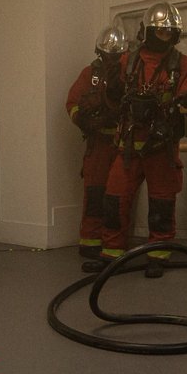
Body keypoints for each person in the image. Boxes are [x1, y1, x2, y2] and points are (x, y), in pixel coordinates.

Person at [87, 2, 187, 278]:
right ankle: (111, 254)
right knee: (114, 200)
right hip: (128, 146)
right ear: (148, 31)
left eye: (170, 33)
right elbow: (112, 99)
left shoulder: (181, 64)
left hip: (161, 148)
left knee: (161, 205)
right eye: (161, 32)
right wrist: (112, 89)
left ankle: (158, 255)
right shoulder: (128, 62)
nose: (165, 37)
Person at [65, 25, 127, 259]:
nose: (111, 59)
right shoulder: (89, 75)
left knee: (116, 197)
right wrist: (83, 120)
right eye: (107, 54)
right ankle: (90, 241)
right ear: (99, 52)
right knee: (94, 194)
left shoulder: (130, 74)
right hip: (98, 143)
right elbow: (72, 103)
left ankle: (114, 244)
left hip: (121, 145)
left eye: (115, 55)